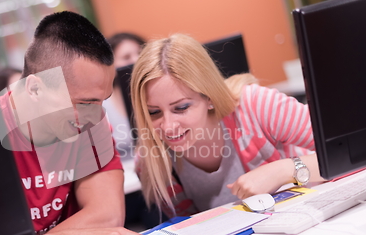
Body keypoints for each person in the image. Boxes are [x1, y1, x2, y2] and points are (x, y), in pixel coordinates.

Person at [0, 12, 164, 235]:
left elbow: (107, 216)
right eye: (85, 103)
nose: (97, 116)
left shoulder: (91, 121)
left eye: (102, 100)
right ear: (35, 90)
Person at [130, 33, 324, 216]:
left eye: (181, 107)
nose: (168, 126)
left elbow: (348, 150)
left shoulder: (255, 105)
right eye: (153, 112)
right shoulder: (151, 161)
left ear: (209, 97)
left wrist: (283, 171)